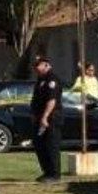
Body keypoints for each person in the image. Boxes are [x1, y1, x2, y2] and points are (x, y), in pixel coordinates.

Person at [29, 55, 63, 183]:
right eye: (35, 65)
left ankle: (54, 174)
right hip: (40, 117)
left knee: (51, 145)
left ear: (46, 65)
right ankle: (47, 172)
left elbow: (52, 100)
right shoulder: (40, 79)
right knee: (39, 144)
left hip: (51, 117)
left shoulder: (52, 80)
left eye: (38, 65)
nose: (36, 68)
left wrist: (45, 117)